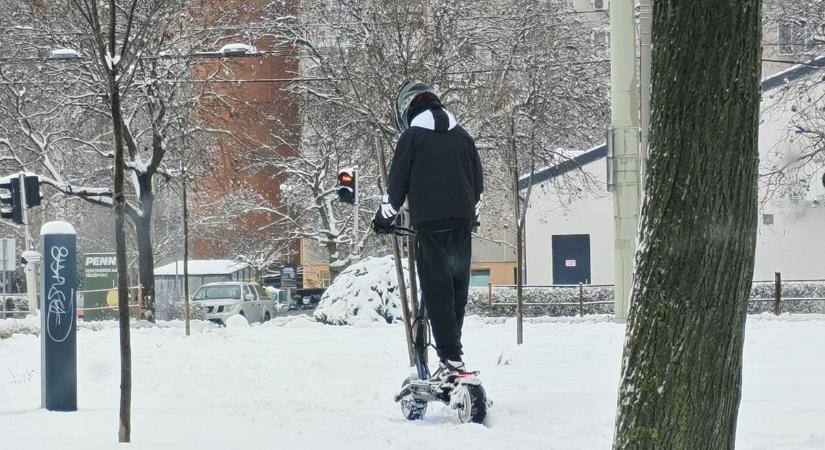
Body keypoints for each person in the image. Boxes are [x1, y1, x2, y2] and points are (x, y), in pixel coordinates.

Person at [372, 81, 483, 379]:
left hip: (430, 225)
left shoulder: (412, 137)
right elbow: (478, 187)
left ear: (406, 110)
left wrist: (382, 220)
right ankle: (453, 354)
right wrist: (471, 216)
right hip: (462, 223)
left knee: (437, 292)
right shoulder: (463, 137)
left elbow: (396, 189)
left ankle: (451, 360)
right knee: (456, 291)